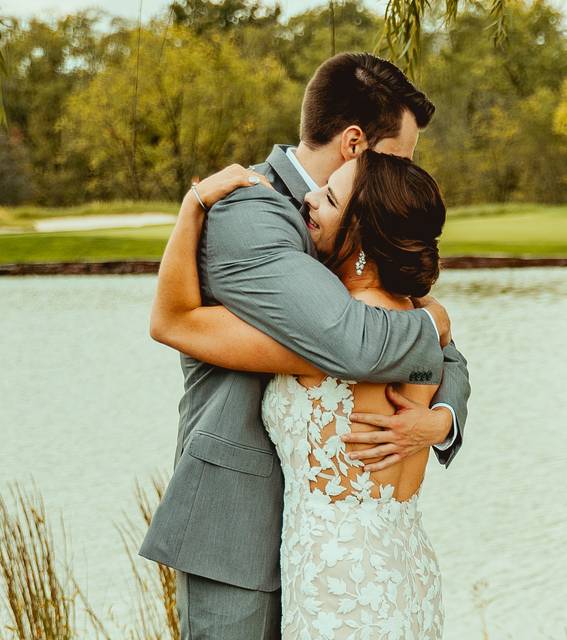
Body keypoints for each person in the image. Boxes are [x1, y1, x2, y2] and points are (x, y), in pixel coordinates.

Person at [139, 53, 470, 640]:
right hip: (241, 531)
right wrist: (433, 321)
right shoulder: (251, 212)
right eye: (400, 157)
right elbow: (352, 344)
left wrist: (441, 420)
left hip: (336, 547)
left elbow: (440, 360)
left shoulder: (353, 233)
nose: (404, 176)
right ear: (354, 144)